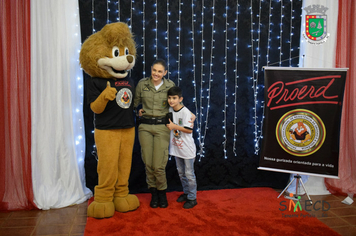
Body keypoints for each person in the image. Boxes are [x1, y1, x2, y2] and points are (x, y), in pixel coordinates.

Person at [134, 59, 175, 208]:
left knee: (159, 165)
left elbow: (176, 105)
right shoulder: (142, 84)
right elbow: (134, 102)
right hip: (145, 126)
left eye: (160, 71)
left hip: (161, 127)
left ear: (164, 73)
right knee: (148, 164)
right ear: (151, 70)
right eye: (154, 70)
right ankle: (154, 194)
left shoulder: (170, 86)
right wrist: (137, 110)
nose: (156, 74)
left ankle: (162, 192)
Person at [166, 86, 197, 209]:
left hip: (187, 149)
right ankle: (186, 193)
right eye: (169, 98)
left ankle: (192, 198)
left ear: (180, 99)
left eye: (174, 98)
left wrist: (174, 126)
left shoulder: (185, 112)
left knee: (189, 174)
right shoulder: (170, 109)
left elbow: (189, 130)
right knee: (181, 173)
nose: (171, 100)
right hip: (177, 148)